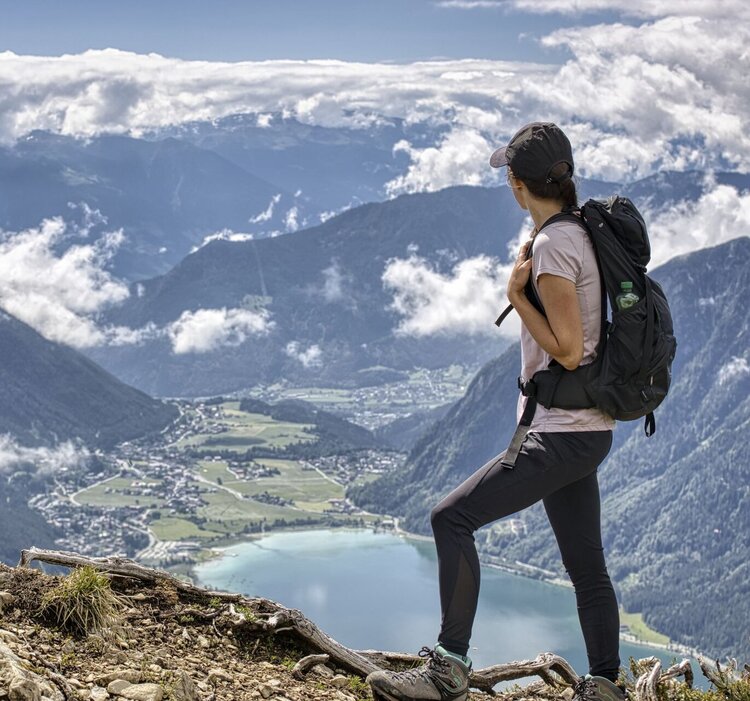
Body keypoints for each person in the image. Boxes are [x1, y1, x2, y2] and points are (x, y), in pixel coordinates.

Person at [366, 122, 627, 701]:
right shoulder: (579, 230)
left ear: (517, 183)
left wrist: (515, 297)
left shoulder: (558, 244)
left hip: (560, 433)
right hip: (586, 429)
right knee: (586, 565)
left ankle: (448, 671)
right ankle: (607, 685)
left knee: (450, 519)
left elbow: (565, 346)